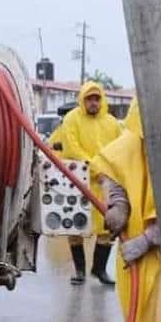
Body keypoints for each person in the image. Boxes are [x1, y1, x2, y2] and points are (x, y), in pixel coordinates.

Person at [90, 100, 161, 322]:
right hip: (132, 246)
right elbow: (107, 170)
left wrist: (149, 239)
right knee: (135, 306)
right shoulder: (126, 144)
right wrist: (117, 202)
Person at [58, 81, 123, 286]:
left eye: (97, 98)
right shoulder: (71, 119)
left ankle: (99, 269)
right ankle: (79, 271)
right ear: (83, 100)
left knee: (107, 228)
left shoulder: (112, 123)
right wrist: (96, 165)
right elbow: (72, 148)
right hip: (80, 181)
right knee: (76, 227)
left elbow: (120, 148)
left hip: (105, 183)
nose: (93, 102)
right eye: (89, 99)